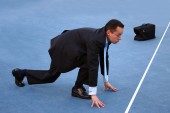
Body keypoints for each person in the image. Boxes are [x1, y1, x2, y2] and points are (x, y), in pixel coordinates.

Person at [12, 19, 124, 108]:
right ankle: (21, 73)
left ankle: (77, 88)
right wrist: (93, 94)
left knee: (88, 61)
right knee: (51, 76)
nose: (120, 38)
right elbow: (93, 66)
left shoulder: (104, 38)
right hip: (63, 48)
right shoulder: (95, 40)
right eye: (118, 35)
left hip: (72, 45)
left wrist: (106, 81)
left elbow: (104, 56)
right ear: (109, 32)